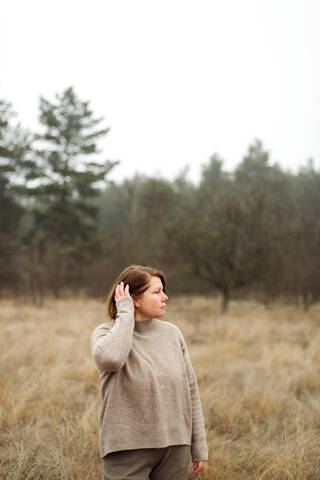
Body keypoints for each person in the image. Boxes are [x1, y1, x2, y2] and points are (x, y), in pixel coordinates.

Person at [91, 265, 208, 480]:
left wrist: (198, 446)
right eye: (156, 292)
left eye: (163, 291)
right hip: (126, 450)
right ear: (133, 299)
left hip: (175, 448)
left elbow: (191, 391)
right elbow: (111, 359)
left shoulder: (172, 334)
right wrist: (125, 313)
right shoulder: (106, 333)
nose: (165, 297)